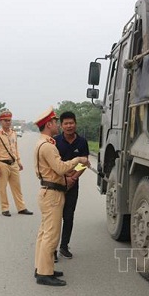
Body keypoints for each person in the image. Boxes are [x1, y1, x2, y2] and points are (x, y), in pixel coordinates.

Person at [33, 106, 89, 286]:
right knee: (50, 234)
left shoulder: (79, 142)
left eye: (70, 123)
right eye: (59, 123)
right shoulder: (50, 144)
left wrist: (73, 177)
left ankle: (43, 266)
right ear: (50, 124)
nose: (64, 125)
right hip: (54, 191)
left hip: (58, 186)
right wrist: (77, 160)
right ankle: (44, 273)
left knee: (47, 231)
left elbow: (60, 169)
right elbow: (60, 167)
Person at [54, 111, 89, 260]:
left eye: (71, 123)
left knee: (68, 217)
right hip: (56, 184)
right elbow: (52, 164)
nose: (69, 126)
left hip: (73, 184)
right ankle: (52, 250)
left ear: (75, 124)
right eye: (66, 123)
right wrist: (64, 178)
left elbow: (85, 162)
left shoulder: (82, 142)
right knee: (55, 218)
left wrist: (73, 178)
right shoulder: (54, 141)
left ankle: (64, 246)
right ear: (61, 126)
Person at [0, 110, 33, 217]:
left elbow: (15, 149)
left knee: (17, 187)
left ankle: (21, 208)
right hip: (2, 164)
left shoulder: (13, 133)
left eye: (9, 120)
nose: (8, 122)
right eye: (5, 121)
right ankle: (5, 208)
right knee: (2, 188)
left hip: (13, 164)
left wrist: (19, 161)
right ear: (1, 121)